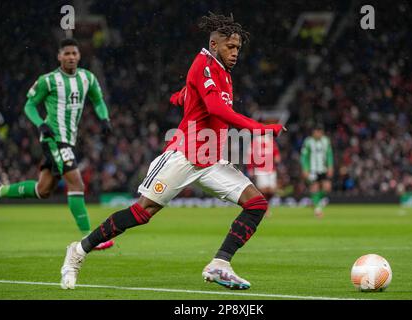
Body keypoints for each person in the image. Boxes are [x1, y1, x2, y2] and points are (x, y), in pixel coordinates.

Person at [60, 12, 285, 290]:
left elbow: (198, 98)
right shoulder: (203, 64)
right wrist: (259, 127)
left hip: (211, 161)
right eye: (230, 46)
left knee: (256, 204)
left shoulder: (222, 73)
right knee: (142, 213)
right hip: (184, 156)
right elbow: (216, 108)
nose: (235, 52)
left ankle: (220, 264)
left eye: (238, 47)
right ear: (214, 45)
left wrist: (182, 96)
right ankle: (78, 252)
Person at [0, 38, 114, 250]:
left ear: (79, 55)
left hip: (69, 140)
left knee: (43, 190)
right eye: (66, 54)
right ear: (59, 56)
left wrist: (104, 118)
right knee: (76, 184)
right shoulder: (48, 80)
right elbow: (30, 105)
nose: (70, 57)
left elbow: (98, 100)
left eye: (74, 53)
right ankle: (91, 238)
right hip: (54, 139)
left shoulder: (88, 78)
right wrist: (40, 124)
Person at [300, 124, 334, 218]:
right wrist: (305, 169)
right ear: (313, 132)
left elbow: (329, 154)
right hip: (312, 170)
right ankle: (317, 209)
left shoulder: (326, 141)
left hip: (323, 168)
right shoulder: (308, 141)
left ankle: (314, 201)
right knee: (314, 187)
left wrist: (330, 166)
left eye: (320, 131)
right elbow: (304, 156)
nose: (318, 133)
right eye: (317, 131)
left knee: (327, 187)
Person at [246, 128, 281, 217]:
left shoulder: (270, 141)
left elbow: (276, 152)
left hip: (271, 169)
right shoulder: (255, 142)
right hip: (260, 169)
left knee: (272, 190)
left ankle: (265, 206)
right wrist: (250, 168)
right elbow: (250, 155)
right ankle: (264, 208)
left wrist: (277, 156)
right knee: (263, 189)